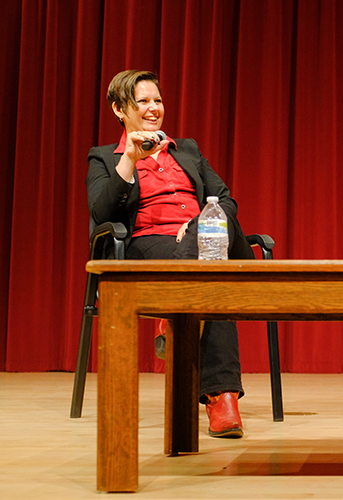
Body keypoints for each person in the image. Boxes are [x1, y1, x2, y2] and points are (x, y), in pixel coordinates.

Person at [87, 70, 256, 438]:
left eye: (157, 100)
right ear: (119, 109)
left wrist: (197, 226)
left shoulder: (188, 149)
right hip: (150, 246)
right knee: (213, 273)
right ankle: (221, 397)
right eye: (142, 101)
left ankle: (177, 321)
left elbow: (225, 199)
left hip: (204, 241)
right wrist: (130, 159)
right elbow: (102, 215)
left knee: (209, 254)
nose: (153, 108)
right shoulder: (104, 157)